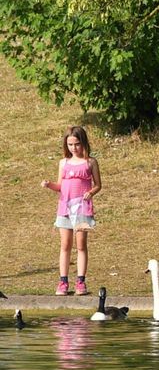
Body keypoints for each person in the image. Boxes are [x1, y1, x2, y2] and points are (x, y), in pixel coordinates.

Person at [42, 126, 101, 296]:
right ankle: (63, 281)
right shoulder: (63, 163)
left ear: (83, 143)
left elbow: (98, 184)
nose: (73, 148)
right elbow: (60, 186)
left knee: (81, 244)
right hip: (65, 207)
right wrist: (49, 184)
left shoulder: (90, 162)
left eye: (77, 144)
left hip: (82, 208)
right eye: (70, 144)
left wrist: (91, 192)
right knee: (65, 244)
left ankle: (81, 281)